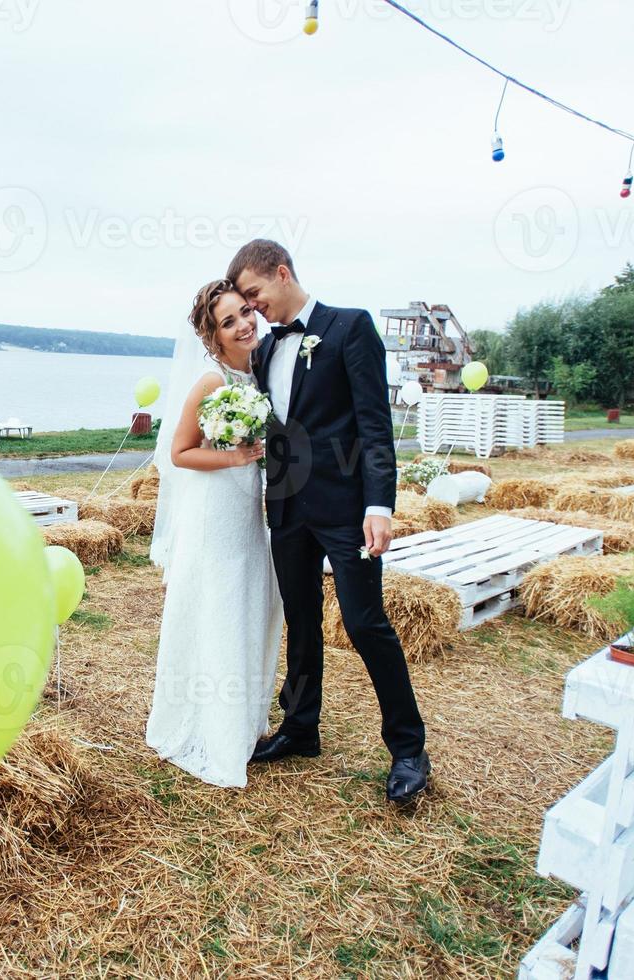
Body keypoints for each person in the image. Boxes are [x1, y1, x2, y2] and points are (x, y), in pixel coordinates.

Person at [227, 239, 431, 805]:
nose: (252, 308)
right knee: (300, 619)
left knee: (366, 624)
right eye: (244, 302)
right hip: (288, 506)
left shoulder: (349, 328)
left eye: (254, 294)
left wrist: (379, 505)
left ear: (282, 273)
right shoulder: (266, 352)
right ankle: (299, 727)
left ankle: (409, 748)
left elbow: (374, 424)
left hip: (347, 512)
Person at [145, 279, 283, 788]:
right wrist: (236, 456)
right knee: (218, 607)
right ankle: (211, 731)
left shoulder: (258, 370)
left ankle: (243, 721)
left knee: (249, 603)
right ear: (213, 334)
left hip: (248, 509)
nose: (244, 323)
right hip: (214, 510)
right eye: (229, 321)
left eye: (246, 311)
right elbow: (179, 453)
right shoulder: (210, 381)